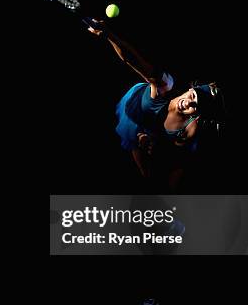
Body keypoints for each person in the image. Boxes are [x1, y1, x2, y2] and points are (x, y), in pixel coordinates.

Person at [87, 20, 225, 191]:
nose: (188, 102)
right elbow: (133, 60)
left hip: (150, 129)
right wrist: (109, 35)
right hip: (134, 108)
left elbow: (179, 159)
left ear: (197, 114)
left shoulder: (191, 129)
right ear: (191, 89)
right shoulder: (166, 85)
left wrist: (151, 141)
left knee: (155, 180)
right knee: (144, 170)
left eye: (194, 106)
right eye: (193, 95)